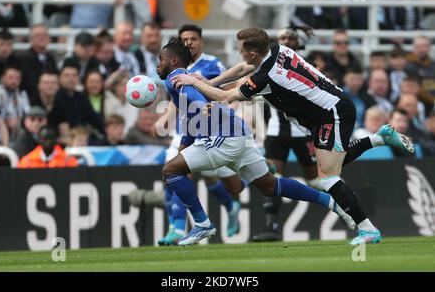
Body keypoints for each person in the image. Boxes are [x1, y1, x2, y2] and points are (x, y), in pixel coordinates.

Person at [172, 27, 416, 245]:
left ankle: (368, 230)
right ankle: (379, 138)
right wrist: (210, 80)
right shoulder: (276, 50)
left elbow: (226, 97)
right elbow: (243, 68)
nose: (240, 55)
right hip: (326, 111)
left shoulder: (266, 77)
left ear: (253, 52)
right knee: (331, 164)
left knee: (328, 178)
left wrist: (192, 81)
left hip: (332, 114)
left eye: (241, 51)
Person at [158, 37, 355, 245]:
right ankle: (332, 202)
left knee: (170, 170)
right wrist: (185, 143)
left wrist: (201, 107)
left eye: (160, 58)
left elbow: (196, 101)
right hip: (238, 135)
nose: (157, 63)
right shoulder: (185, 78)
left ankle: (202, 224)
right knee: (269, 186)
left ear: (173, 61)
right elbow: (192, 117)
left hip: (224, 139)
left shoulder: (175, 77)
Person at [155, 24, 242, 245]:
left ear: (201, 41)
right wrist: (166, 117)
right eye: (185, 39)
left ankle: (231, 206)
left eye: (193, 39)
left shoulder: (211, 65)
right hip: (186, 130)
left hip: (214, 129)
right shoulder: (171, 72)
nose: (189, 43)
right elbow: (179, 100)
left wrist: (216, 108)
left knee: (230, 185)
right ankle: (176, 227)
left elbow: (223, 90)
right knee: (176, 172)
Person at [252, 26, 319, 242]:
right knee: (272, 178)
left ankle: (345, 208)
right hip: (276, 133)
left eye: (291, 38)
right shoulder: (269, 67)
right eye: (283, 38)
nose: (287, 41)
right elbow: (262, 103)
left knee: (317, 180)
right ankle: (271, 228)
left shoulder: (310, 67)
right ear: (276, 42)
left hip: (305, 133)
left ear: (299, 42)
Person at [17, 24, 58, 97]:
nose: (42, 38)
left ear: (49, 39)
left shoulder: (50, 58)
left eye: (45, 35)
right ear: (31, 39)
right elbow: (29, 83)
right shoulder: (24, 58)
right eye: (38, 35)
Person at [0, 66, 30, 140]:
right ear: (3, 78)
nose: (14, 81)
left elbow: (28, 113)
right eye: (10, 77)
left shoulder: (21, 94)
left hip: (18, 134)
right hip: (0, 135)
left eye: (17, 78)